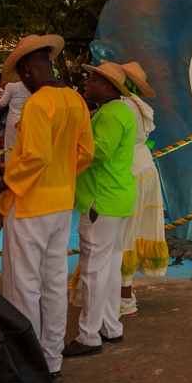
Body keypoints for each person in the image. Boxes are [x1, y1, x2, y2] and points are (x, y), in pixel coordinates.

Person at [0, 34, 93, 383]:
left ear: (30, 70)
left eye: (22, 74)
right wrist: (59, 175)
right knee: (52, 283)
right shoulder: (75, 100)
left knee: (23, 288)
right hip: (62, 206)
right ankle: (51, 362)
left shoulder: (36, 105)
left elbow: (36, 157)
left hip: (30, 206)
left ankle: (27, 367)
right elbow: (84, 153)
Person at [63, 62, 137, 358]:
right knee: (108, 267)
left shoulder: (110, 114)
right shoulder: (117, 111)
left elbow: (98, 151)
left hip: (101, 199)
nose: (87, 81)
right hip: (114, 197)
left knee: (94, 269)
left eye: (93, 78)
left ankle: (89, 335)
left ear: (108, 86)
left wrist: (63, 154)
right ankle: (110, 325)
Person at [117, 61, 168, 318]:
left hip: (130, 171)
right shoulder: (138, 105)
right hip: (145, 166)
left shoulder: (121, 107)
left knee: (123, 235)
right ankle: (125, 295)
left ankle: (123, 299)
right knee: (132, 232)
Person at [0, 77, 31, 159]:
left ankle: (10, 168)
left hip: (13, 119)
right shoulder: (30, 83)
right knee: (26, 145)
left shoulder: (11, 85)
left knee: (11, 145)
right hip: (28, 117)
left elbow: (2, 102)